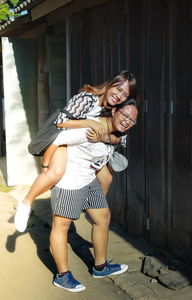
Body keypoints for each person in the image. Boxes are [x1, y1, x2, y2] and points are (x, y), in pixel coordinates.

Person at [14, 70, 137, 232]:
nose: (119, 95)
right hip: (62, 137)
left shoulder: (117, 110)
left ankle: (90, 212)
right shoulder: (87, 98)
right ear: (110, 84)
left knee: (106, 178)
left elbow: (120, 139)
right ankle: (26, 202)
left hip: (86, 151)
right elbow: (60, 123)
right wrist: (91, 123)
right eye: (118, 88)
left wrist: (104, 138)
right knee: (56, 172)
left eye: (124, 94)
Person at [49, 99, 138, 292]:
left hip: (89, 179)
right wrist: (48, 170)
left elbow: (116, 141)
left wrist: (105, 138)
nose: (127, 121)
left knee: (102, 217)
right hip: (70, 181)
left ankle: (100, 267)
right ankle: (62, 276)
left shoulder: (119, 133)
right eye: (125, 115)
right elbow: (57, 140)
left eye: (132, 120)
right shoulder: (89, 126)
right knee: (61, 226)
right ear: (114, 111)